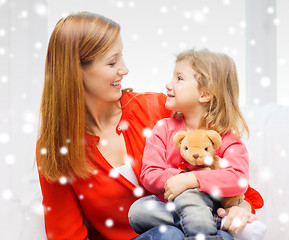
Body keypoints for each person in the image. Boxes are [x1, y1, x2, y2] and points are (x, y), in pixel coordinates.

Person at [36, 12, 263, 240]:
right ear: (76, 71)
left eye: (121, 57)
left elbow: (230, 178)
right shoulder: (56, 149)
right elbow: (66, 235)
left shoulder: (158, 110)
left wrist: (240, 208)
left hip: (194, 230)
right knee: (168, 235)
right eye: (112, 62)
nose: (124, 69)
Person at [128, 49, 265, 239]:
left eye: (179, 78)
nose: (168, 85)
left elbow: (238, 179)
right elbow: (149, 175)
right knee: (139, 211)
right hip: (172, 208)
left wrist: (193, 180)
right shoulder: (163, 128)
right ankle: (212, 226)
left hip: (211, 207)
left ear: (205, 94)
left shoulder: (225, 137)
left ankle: (203, 227)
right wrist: (181, 178)